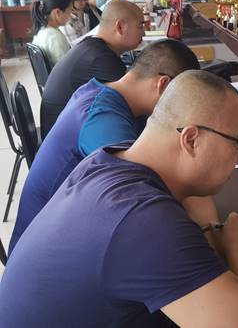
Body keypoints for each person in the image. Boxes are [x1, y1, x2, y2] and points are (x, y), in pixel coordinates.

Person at [0, 71, 238, 328]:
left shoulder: (110, 159)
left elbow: (193, 199)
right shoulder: (142, 219)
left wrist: (212, 230)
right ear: (191, 140)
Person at [9, 39, 200, 253]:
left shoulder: (102, 91)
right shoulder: (103, 119)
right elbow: (138, 200)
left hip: (59, 234)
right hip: (45, 250)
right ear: (163, 85)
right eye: (184, 101)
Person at [40, 0, 145, 135]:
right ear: (120, 27)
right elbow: (137, 103)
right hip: (67, 140)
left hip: (63, 130)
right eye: (140, 26)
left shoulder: (93, 47)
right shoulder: (101, 59)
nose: (144, 33)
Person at [30, 0, 72, 67]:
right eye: (69, 12)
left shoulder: (40, 30)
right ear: (57, 12)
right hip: (60, 73)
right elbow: (66, 67)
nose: (70, 16)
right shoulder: (55, 37)